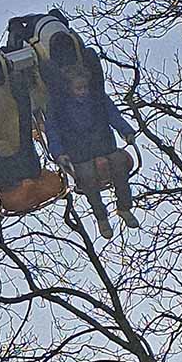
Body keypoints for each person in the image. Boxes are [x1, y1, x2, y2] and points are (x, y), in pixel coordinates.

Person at [42, 40, 139, 239]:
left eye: (85, 88)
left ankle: (124, 208)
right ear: (70, 89)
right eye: (79, 89)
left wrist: (126, 131)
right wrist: (59, 154)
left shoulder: (97, 98)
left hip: (103, 145)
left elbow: (113, 115)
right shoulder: (59, 106)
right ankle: (101, 217)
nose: (83, 92)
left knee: (119, 163)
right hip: (80, 152)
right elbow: (52, 131)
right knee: (86, 177)